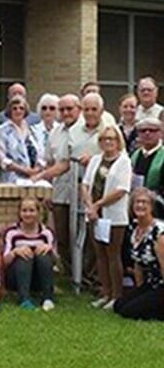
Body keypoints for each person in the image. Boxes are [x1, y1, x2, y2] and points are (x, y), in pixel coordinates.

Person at [82, 126, 131, 310]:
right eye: (104, 139)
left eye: (111, 139)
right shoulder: (95, 160)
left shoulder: (123, 162)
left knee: (112, 254)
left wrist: (97, 204)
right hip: (95, 216)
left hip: (113, 217)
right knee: (99, 255)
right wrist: (90, 205)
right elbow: (85, 184)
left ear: (118, 141)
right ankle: (105, 292)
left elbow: (121, 190)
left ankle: (116, 295)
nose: (108, 142)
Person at [32, 94, 81, 274]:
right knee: (62, 236)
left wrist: (41, 176)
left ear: (79, 109)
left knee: (81, 237)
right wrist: (45, 188)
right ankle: (69, 273)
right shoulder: (55, 132)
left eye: (70, 109)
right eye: (62, 109)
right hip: (60, 192)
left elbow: (66, 164)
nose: (65, 113)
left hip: (80, 191)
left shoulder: (84, 130)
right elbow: (48, 161)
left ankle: (85, 276)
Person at [114, 188, 164, 321]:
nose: (140, 205)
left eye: (144, 202)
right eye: (137, 202)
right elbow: (138, 264)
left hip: (161, 285)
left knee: (129, 312)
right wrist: (139, 290)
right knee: (119, 306)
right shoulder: (134, 228)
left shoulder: (159, 232)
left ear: (151, 206)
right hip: (149, 283)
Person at [3, 197, 56, 311]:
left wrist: (50, 249)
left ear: (38, 213)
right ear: (19, 213)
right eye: (24, 210)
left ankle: (48, 299)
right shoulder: (11, 233)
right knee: (24, 256)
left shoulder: (46, 233)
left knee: (44, 256)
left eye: (31, 210)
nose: (28, 214)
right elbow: (4, 262)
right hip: (16, 277)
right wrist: (15, 252)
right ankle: (24, 299)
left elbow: (56, 262)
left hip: (39, 277)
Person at [0, 95, 44, 183]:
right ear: (10, 111)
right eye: (14, 108)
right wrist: (25, 170)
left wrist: (36, 169)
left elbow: (41, 154)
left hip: (33, 179)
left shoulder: (32, 130)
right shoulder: (2, 131)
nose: (18, 111)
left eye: (21, 108)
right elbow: (2, 160)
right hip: (12, 180)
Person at [130, 117, 164, 219]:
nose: (147, 133)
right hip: (137, 208)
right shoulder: (134, 155)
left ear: (161, 133)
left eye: (152, 130)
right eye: (143, 131)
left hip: (159, 208)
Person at [31, 93, 59, 164]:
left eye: (52, 108)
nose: (47, 111)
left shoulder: (62, 130)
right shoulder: (32, 130)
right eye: (44, 108)